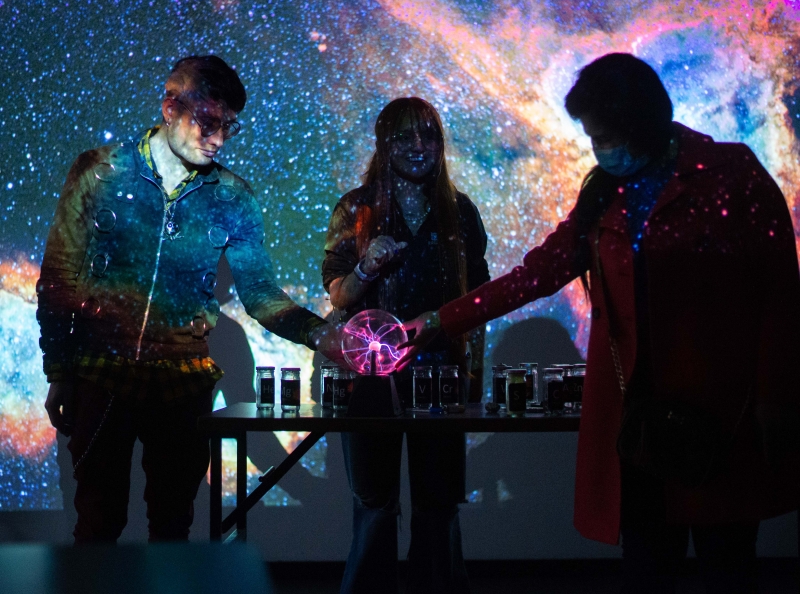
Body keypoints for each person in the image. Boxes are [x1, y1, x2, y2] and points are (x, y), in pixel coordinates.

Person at [402, 54, 800, 593]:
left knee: (726, 567)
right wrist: (440, 321)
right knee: (645, 568)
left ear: (644, 123)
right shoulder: (603, 192)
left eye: (607, 136)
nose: (601, 150)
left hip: (722, 419)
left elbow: (780, 291)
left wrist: (775, 399)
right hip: (638, 425)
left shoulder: (732, 175)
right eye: (593, 138)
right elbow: (535, 275)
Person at [37, 55, 343, 543]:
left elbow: (259, 291)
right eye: (208, 122)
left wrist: (319, 332)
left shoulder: (233, 197)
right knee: (97, 523)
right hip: (99, 375)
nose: (219, 138)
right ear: (169, 106)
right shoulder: (100, 173)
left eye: (229, 127)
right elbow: (59, 279)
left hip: (181, 384)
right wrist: (59, 372)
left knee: (173, 525)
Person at [322, 97, 490, 594]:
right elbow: (337, 295)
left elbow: (478, 298)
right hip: (370, 380)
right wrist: (365, 267)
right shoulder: (356, 209)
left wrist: (474, 371)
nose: (420, 147)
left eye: (429, 135)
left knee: (438, 505)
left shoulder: (460, 211)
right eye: (406, 137)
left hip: (442, 376)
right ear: (384, 144)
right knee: (375, 506)